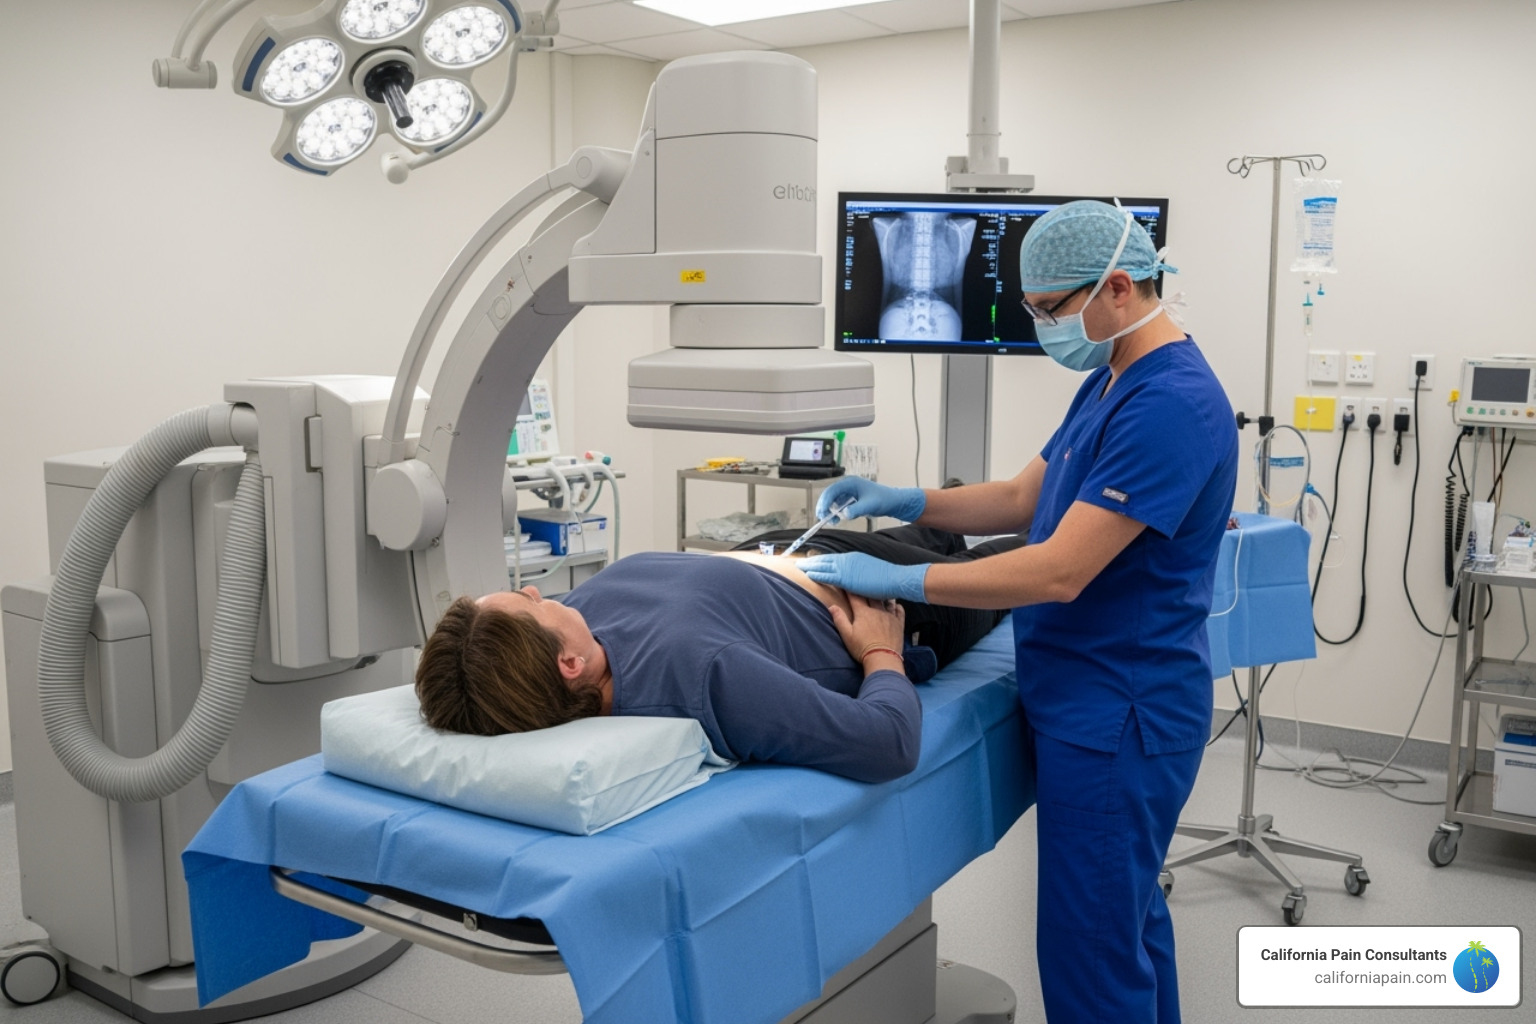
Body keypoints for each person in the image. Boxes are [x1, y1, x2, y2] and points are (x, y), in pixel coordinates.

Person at [798, 201, 1238, 1024]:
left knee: (1092, 955)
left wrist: (905, 583)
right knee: (1129, 927)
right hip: (1089, 694)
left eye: (1049, 310)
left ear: (1117, 287)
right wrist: (906, 497)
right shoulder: (1115, 377)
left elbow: (1063, 570)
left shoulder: (1169, 401)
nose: (1041, 328)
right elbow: (1021, 497)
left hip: (1120, 712)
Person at [414, 524, 1023, 784]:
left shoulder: (573, 629)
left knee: (934, 520)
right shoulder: (707, 678)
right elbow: (888, 744)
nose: (533, 590)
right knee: (1015, 555)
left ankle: (943, 516)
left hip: (798, 547)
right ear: (569, 665)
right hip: (883, 593)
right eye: (527, 603)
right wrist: (882, 655)